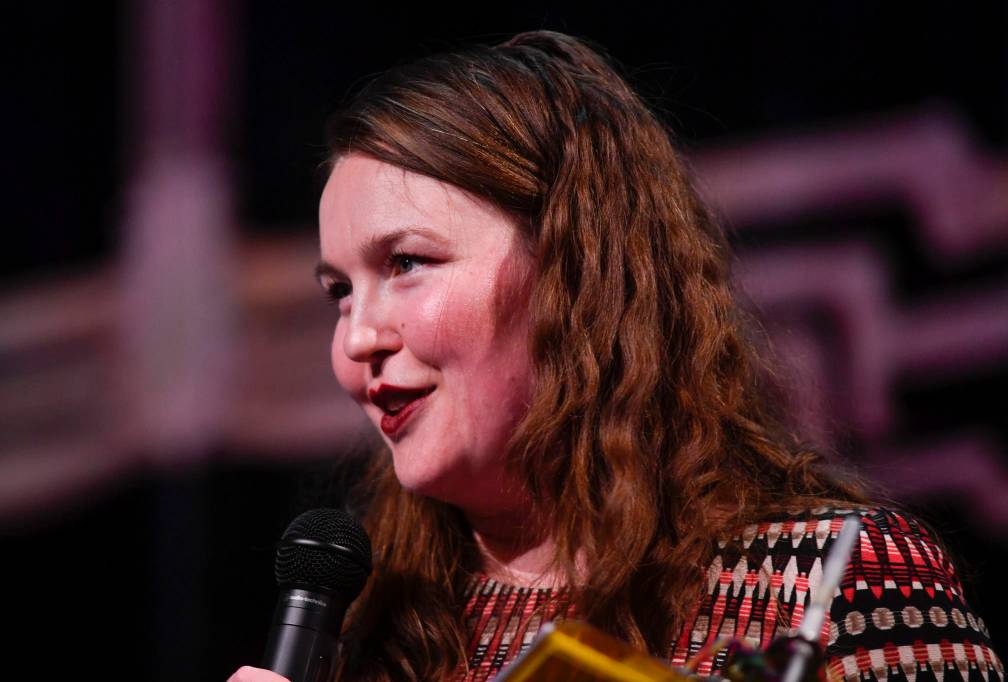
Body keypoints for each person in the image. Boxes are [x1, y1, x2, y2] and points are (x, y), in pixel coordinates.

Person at [229, 31, 1003, 682]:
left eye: (404, 264)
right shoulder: (370, 630)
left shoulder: (829, 583)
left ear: (574, 270)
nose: (356, 338)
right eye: (339, 291)